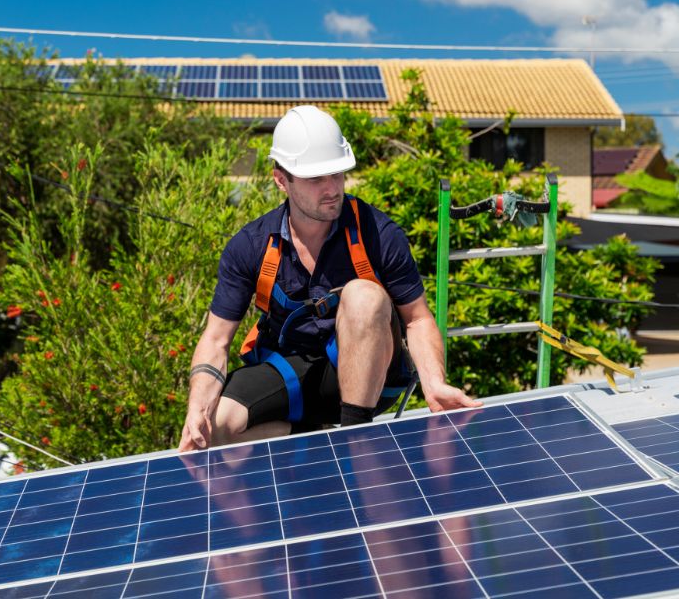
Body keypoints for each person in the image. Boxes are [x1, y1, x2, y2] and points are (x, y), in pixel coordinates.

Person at [178, 105, 480, 452]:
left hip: (371, 373)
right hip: (294, 368)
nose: (332, 188)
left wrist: (434, 383)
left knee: (364, 296)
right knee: (214, 429)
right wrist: (197, 409)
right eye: (315, 179)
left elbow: (417, 319)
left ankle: (355, 441)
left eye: (337, 174)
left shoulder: (378, 233)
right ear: (281, 180)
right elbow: (216, 340)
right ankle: (312, 439)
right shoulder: (251, 246)